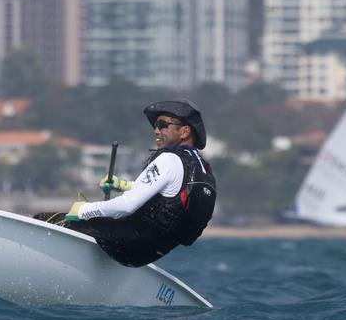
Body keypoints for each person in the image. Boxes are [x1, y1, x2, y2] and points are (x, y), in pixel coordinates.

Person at [35, 99, 216, 267]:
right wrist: (123, 185)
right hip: (150, 253)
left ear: (185, 131)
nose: (156, 130)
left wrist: (83, 210)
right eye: (155, 125)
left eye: (163, 125)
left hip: (129, 243)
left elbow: (127, 205)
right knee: (99, 226)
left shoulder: (169, 159)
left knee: (45, 220)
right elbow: (170, 193)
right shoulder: (202, 170)